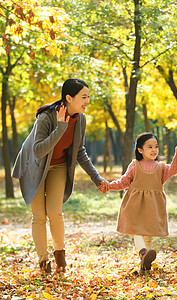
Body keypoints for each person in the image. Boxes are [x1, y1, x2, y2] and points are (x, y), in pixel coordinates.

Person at [12, 78, 109, 274]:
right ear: (69, 98)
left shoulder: (80, 119)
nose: (87, 101)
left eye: (87, 97)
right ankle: (43, 261)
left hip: (58, 167)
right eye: (83, 97)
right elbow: (39, 150)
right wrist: (60, 128)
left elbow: (79, 151)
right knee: (39, 216)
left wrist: (96, 178)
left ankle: (60, 258)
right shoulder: (47, 116)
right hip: (34, 166)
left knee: (55, 212)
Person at [108, 132, 177, 274]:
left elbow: (175, 169)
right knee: (136, 231)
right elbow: (124, 182)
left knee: (147, 233)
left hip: (152, 206)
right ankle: (143, 254)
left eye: (156, 146)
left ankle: (145, 262)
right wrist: (109, 186)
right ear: (140, 150)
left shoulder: (161, 167)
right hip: (134, 205)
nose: (154, 150)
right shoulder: (135, 165)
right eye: (149, 147)